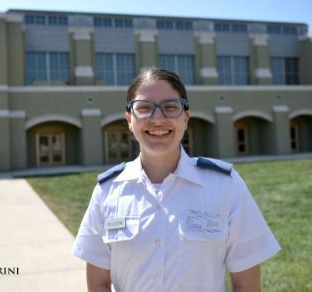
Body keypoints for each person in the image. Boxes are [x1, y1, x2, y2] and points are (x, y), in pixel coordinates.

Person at [72, 68, 281, 292]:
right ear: (129, 121)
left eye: (171, 107)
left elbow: (247, 286)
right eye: (144, 108)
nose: (157, 119)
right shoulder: (107, 191)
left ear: (186, 118)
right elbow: (98, 284)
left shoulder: (225, 186)